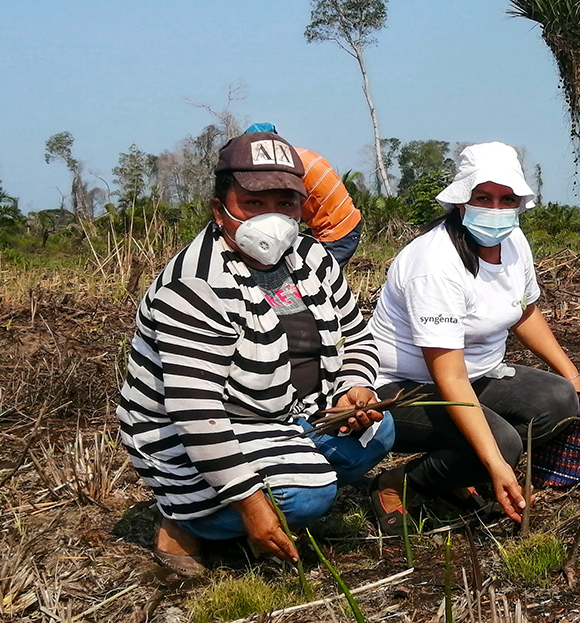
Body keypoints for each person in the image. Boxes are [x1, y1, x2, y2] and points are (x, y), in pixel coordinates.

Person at [117, 130, 394, 577]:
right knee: (309, 494)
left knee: (378, 432)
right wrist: (249, 501)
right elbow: (196, 410)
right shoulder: (196, 284)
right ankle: (190, 521)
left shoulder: (309, 255)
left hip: (285, 413)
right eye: (254, 203)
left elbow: (356, 335)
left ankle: (276, 486)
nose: (273, 218)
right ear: (219, 209)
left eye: (286, 204)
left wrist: (353, 386)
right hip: (205, 432)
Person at [365, 142, 580, 532]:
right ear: (461, 202)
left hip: (479, 374)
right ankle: (398, 483)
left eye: (506, 199)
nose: (495, 210)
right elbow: (449, 378)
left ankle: (455, 476)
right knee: (503, 444)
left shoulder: (514, 243)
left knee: (558, 400)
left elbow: (525, 311)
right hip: (403, 388)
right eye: (483, 198)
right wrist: (495, 463)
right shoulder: (435, 264)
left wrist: (575, 379)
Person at [246, 123, 363, 266]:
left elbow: (284, 214)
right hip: (340, 221)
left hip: (336, 231)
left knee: (319, 280)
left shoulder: (288, 170)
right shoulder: (299, 154)